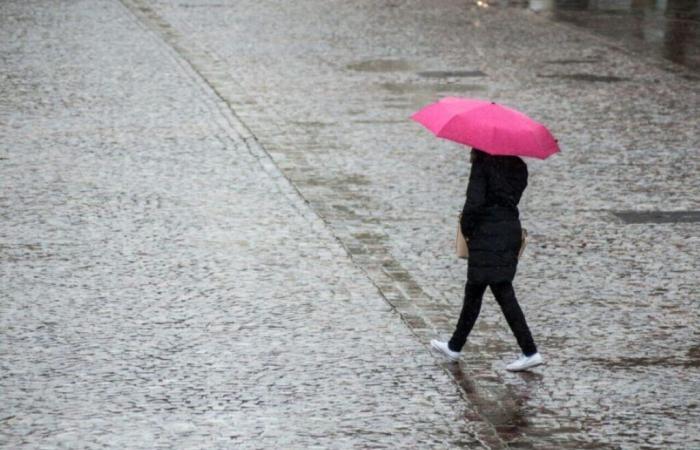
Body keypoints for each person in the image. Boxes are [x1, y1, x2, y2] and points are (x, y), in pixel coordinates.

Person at [431, 148, 543, 371]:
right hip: (509, 231)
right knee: (474, 289)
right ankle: (455, 345)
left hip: (487, 235)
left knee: (502, 291)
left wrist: (467, 230)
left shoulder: (483, 165)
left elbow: (474, 203)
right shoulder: (519, 167)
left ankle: (530, 351)